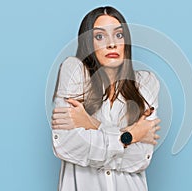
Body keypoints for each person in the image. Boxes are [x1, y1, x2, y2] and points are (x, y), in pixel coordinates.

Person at [51, 6, 161, 191]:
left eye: (119, 35)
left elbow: (141, 158)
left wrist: (92, 125)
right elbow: (66, 145)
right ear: (88, 43)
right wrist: (130, 136)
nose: (112, 44)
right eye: (100, 36)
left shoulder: (146, 84)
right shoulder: (73, 71)